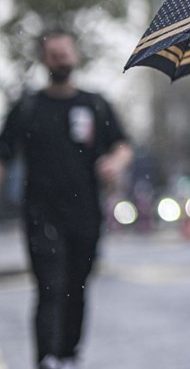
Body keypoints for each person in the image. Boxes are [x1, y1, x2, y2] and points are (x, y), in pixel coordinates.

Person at [0, 29, 133, 369]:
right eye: (54, 54)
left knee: (77, 286)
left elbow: (122, 144)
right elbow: (3, 155)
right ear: (44, 60)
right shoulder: (28, 107)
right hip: (41, 213)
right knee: (50, 286)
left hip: (85, 213)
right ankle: (47, 358)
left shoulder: (95, 103)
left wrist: (114, 163)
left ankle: (69, 355)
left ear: (75, 56)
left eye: (65, 53)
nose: (61, 59)